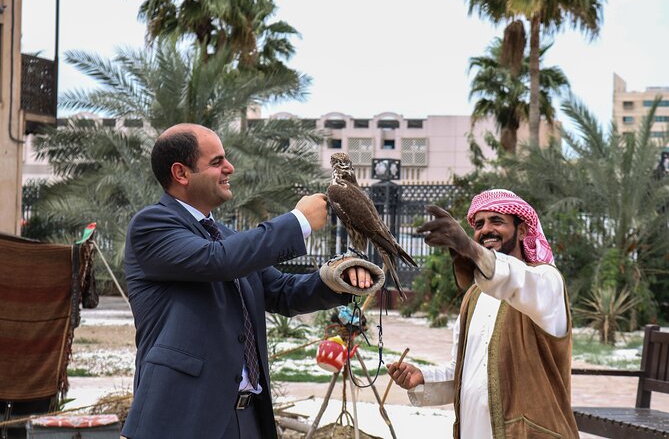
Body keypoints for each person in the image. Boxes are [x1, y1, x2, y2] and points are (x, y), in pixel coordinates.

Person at [121, 123, 382, 439]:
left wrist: (338, 278)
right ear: (181, 173)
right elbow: (216, 260)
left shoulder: (228, 240)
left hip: (247, 420)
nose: (229, 167)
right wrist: (297, 222)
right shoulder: (152, 226)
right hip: (181, 421)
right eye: (217, 162)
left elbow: (284, 293)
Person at [387, 189, 579, 439]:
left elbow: (514, 278)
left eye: (497, 221)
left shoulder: (545, 281)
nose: (486, 229)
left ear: (522, 230)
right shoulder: (474, 296)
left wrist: (470, 249)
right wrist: (422, 378)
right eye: (479, 224)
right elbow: (466, 373)